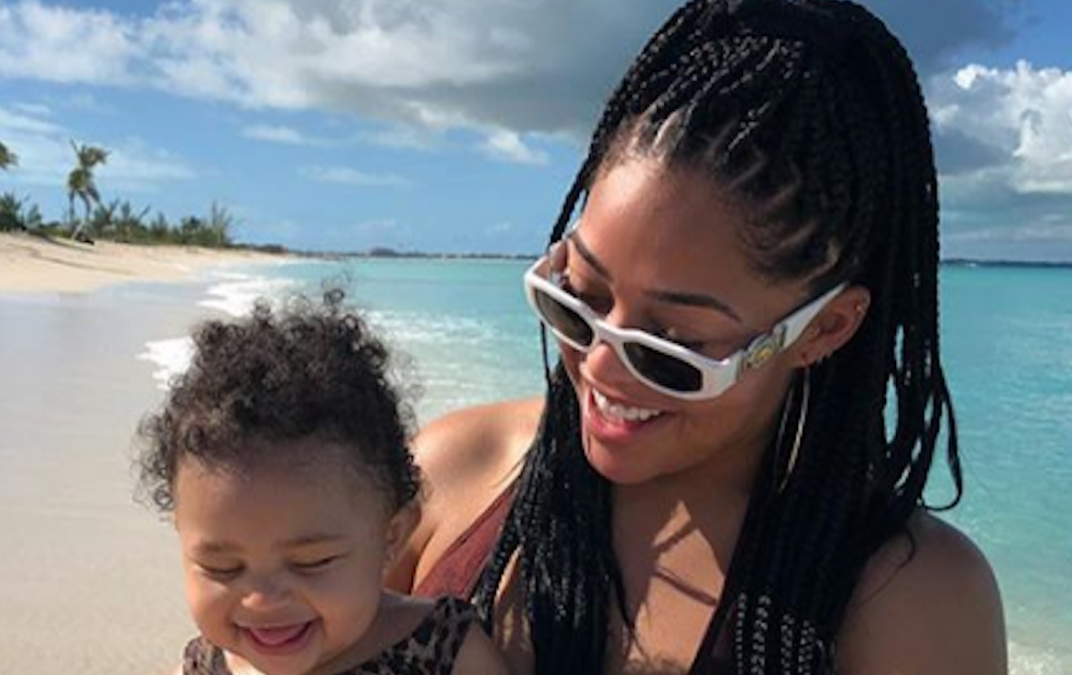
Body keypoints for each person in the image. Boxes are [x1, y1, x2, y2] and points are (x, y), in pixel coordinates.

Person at [390, 1, 1006, 674]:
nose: (601, 366)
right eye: (579, 297)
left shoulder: (911, 600)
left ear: (822, 329)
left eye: (671, 345)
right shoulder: (452, 472)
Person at [136, 292, 509, 675]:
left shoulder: (439, 650)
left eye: (311, 562)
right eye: (222, 567)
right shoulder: (204, 664)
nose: (262, 600)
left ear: (391, 538)